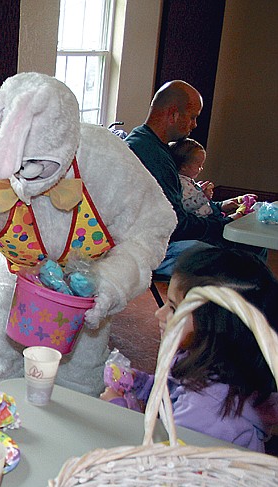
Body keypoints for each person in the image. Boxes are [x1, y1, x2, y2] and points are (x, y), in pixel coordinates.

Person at [101, 244, 278, 453]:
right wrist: (142, 384)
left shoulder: (207, 413)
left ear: (214, 327)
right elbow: (174, 392)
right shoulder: (214, 363)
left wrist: (119, 411)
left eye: (174, 309)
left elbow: (161, 463)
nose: (159, 314)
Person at [125, 80, 265, 276]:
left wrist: (218, 207)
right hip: (160, 247)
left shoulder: (148, 142)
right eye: (192, 117)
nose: (195, 124)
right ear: (173, 114)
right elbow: (176, 224)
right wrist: (223, 224)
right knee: (251, 247)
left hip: (168, 234)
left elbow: (183, 206)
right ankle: (230, 306)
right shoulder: (152, 156)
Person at [169, 138, 250, 220]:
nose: (201, 169)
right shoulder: (181, 184)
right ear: (184, 167)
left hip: (209, 215)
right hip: (201, 219)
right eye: (199, 166)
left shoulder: (188, 181)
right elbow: (185, 206)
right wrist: (204, 196)